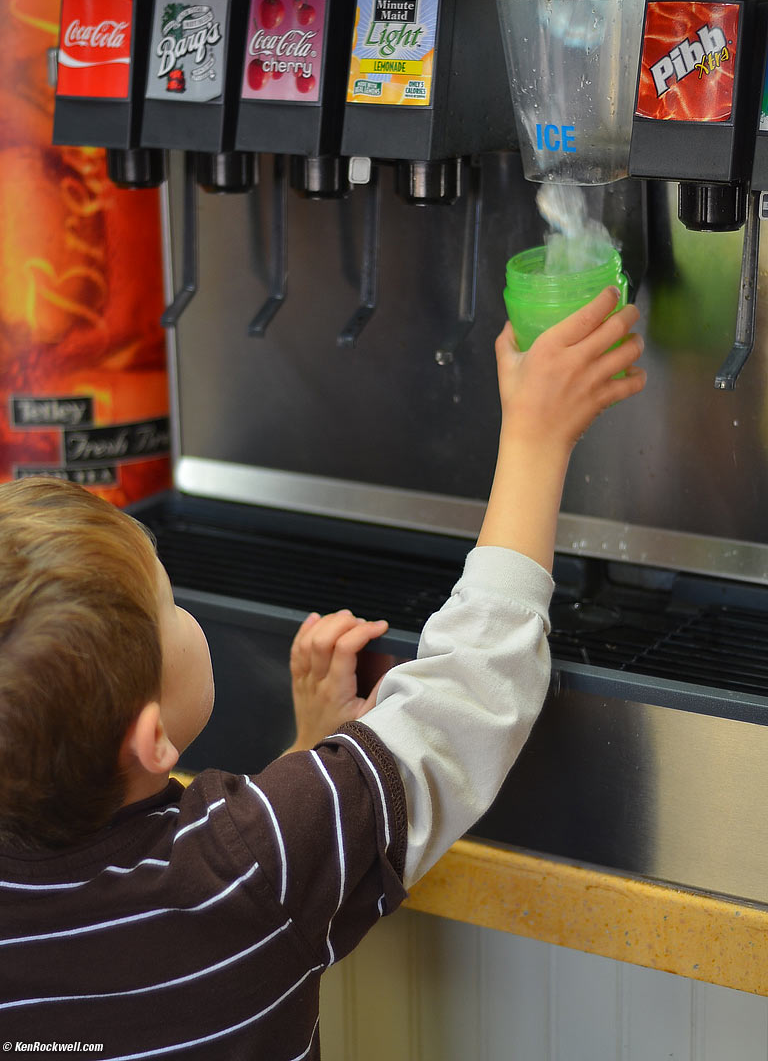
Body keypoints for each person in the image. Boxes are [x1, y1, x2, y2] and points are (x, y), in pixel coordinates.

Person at [0, 288, 645, 1059]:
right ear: (151, 740)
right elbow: (467, 691)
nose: (182, 610)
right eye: (169, 602)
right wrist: (538, 437)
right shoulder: (251, 865)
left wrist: (311, 751)